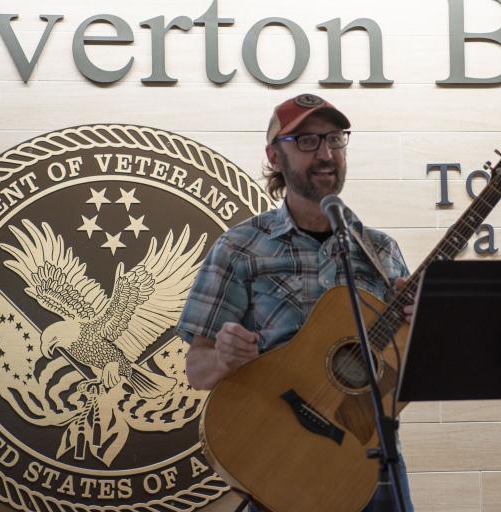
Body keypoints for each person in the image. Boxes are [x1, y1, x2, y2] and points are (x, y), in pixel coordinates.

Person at [177, 93, 414, 512]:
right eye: (306, 141)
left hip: (367, 464)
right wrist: (225, 358)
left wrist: (419, 326)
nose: (325, 153)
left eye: (335, 139)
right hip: (281, 466)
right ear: (274, 156)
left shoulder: (379, 249)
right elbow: (197, 370)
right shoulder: (240, 249)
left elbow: (406, 370)